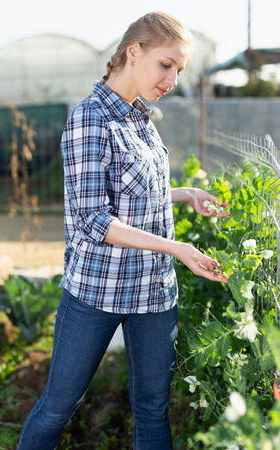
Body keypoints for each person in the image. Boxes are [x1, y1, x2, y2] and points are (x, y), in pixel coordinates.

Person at [17, 11, 229, 450]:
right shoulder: (89, 119)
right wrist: (178, 247)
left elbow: (136, 193)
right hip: (99, 290)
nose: (172, 78)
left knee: (153, 410)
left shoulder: (141, 118)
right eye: (166, 65)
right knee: (59, 406)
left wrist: (184, 192)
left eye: (180, 70)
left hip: (154, 290)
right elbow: (96, 219)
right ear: (134, 52)